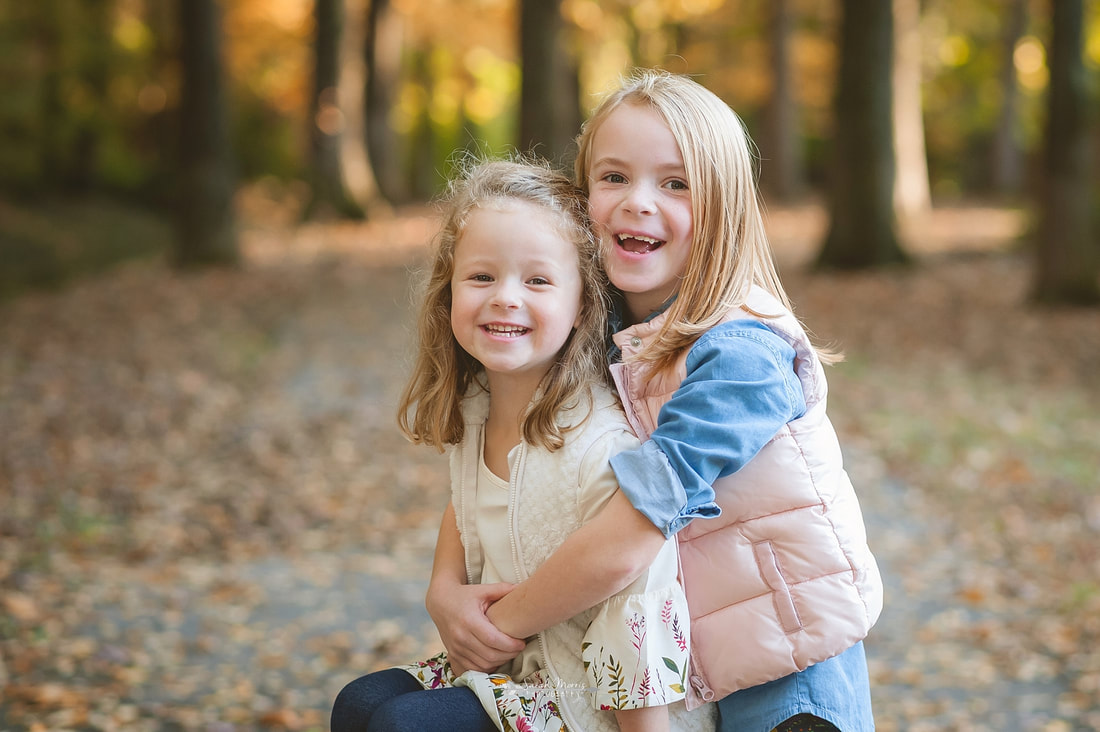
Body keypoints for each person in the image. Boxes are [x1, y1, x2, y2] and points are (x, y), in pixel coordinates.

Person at [427, 70, 884, 732]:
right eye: (613, 178)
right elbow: (501, 449)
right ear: (582, 197)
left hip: (787, 665)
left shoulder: (742, 356)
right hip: (679, 659)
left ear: (722, 206)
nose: (638, 202)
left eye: (676, 183)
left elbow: (626, 539)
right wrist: (445, 591)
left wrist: (499, 626)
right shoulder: (589, 316)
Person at [330, 158, 716, 732]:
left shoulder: (599, 445)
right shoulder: (479, 404)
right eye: (482, 277)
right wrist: (443, 588)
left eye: (537, 281)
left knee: (403, 725)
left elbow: (640, 607)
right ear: (448, 293)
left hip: (595, 701)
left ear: (582, 305)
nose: (506, 297)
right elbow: (471, 504)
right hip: (516, 670)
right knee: (359, 703)